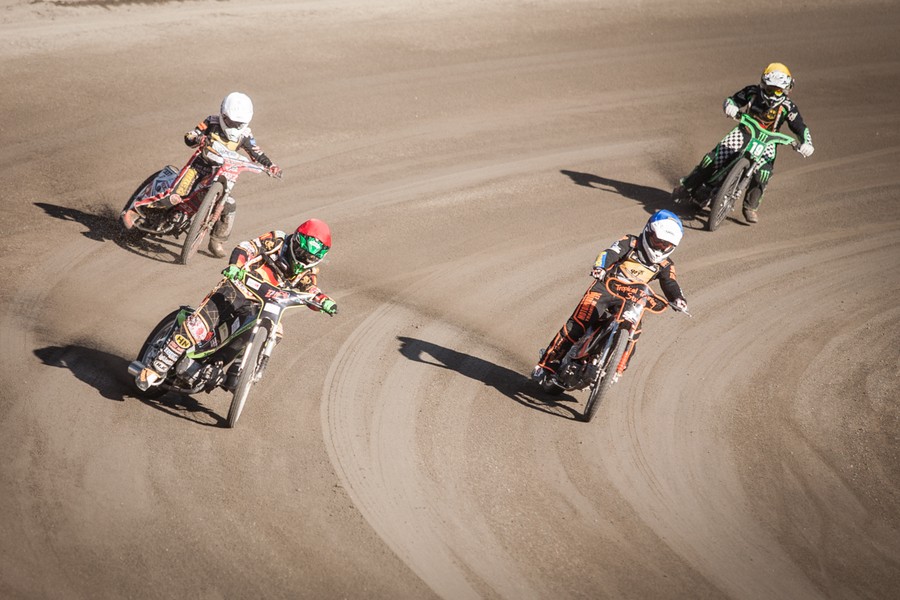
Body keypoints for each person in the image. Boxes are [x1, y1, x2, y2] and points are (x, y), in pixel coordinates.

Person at [135, 218, 337, 391]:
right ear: (296, 241)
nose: (304, 260)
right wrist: (236, 266)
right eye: (302, 253)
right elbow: (246, 247)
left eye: (311, 257)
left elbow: (310, 290)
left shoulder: (308, 272)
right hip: (237, 288)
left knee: (277, 331)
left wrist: (323, 300)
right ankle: (156, 366)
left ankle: (239, 368)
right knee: (198, 327)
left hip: (261, 307)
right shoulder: (277, 239)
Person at [532, 210, 688, 381]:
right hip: (606, 288)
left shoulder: (666, 265)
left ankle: (616, 371)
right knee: (579, 323)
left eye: (666, 245)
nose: (660, 247)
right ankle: (546, 365)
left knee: (634, 333)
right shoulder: (630, 242)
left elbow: (670, 283)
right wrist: (600, 267)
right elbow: (609, 253)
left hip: (632, 300)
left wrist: (678, 299)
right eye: (658, 241)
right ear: (648, 231)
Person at [123, 91, 281, 257]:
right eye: (231, 121)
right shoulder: (211, 122)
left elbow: (257, 153)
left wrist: (271, 166)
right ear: (223, 114)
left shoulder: (245, 135)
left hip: (221, 176)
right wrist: (197, 138)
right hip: (197, 168)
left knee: (229, 205)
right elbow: (190, 135)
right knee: (176, 194)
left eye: (238, 123)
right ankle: (136, 210)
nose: (234, 126)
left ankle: (216, 241)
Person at [672, 63, 814, 223]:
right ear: (763, 84)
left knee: (764, 173)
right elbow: (732, 100)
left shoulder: (789, 107)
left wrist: (806, 143)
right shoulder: (752, 92)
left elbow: (800, 127)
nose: (774, 94)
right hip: (744, 132)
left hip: (768, 141)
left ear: (787, 89)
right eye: (770, 89)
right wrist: (730, 106)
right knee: (711, 159)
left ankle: (750, 207)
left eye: (778, 90)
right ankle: (688, 186)